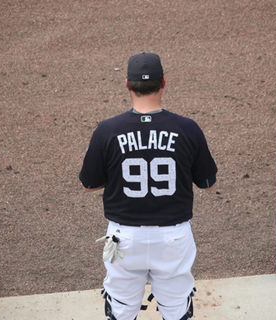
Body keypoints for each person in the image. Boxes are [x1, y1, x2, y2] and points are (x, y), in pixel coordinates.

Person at [79, 53, 217, 320]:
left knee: (120, 312)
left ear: (127, 84)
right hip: (174, 238)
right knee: (177, 312)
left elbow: (89, 184)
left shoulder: (107, 130)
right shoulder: (188, 129)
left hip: (124, 237)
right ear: (163, 82)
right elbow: (207, 183)